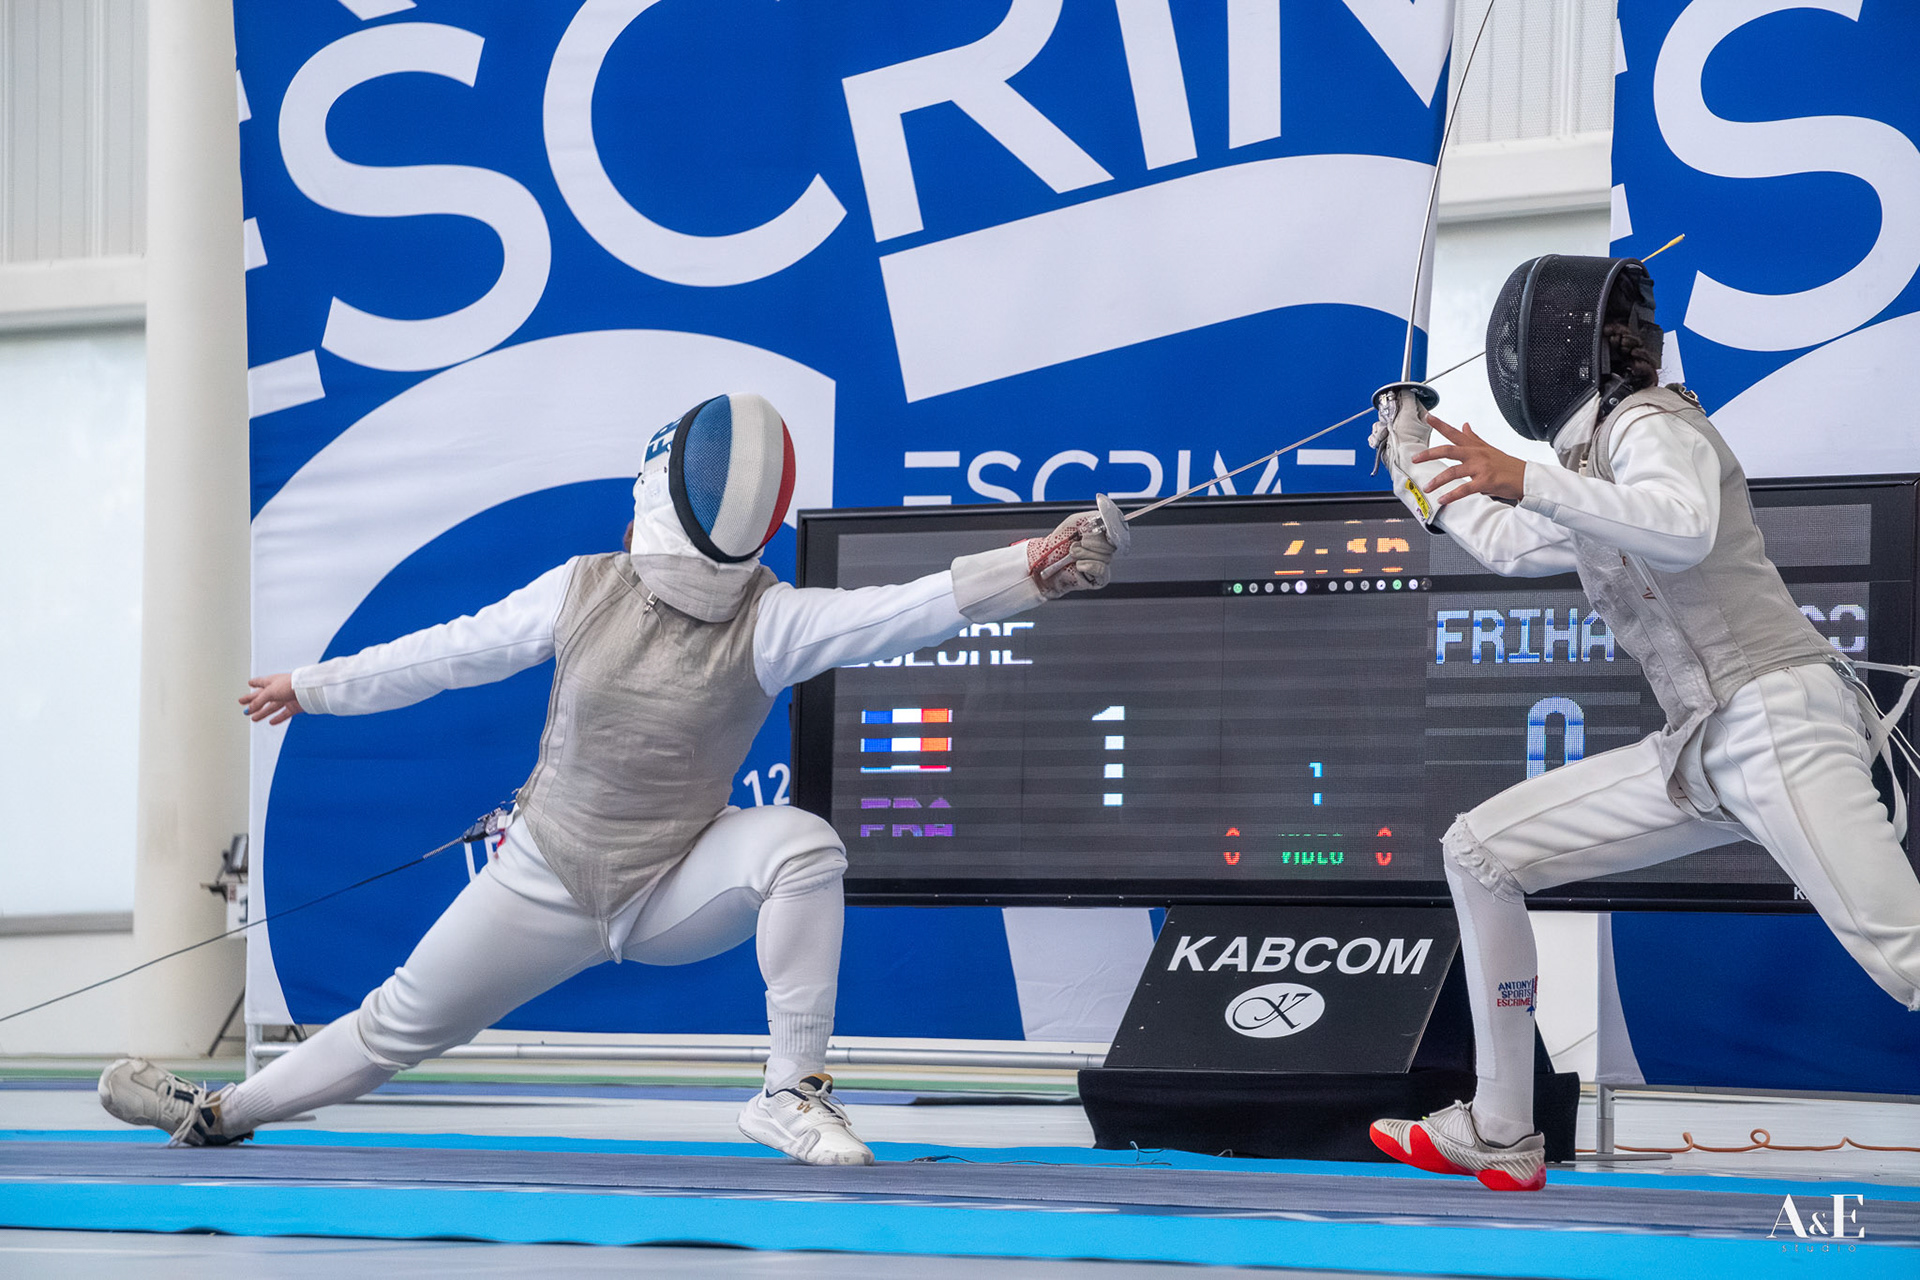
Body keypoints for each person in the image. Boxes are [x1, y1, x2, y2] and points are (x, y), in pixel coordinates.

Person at [98, 392, 1126, 1164]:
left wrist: (1031, 566)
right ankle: (218, 1113)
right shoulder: (583, 588)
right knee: (390, 1026)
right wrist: (313, 687)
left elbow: (900, 611)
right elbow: (448, 651)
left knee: (802, 846)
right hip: (542, 879)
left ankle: (789, 1091)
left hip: (674, 883)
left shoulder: (770, 619)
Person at [1364, 255, 1920, 1191]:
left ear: (1559, 347)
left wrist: (1525, 477)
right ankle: (1502, 1128)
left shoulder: (1653, 425)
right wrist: (1412, 454)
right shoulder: (1593, 470)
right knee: (1482, 852)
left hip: (1775, 720)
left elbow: (1683, 525)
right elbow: (1505, 544)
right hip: (1703, 744)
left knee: (1906, 956)